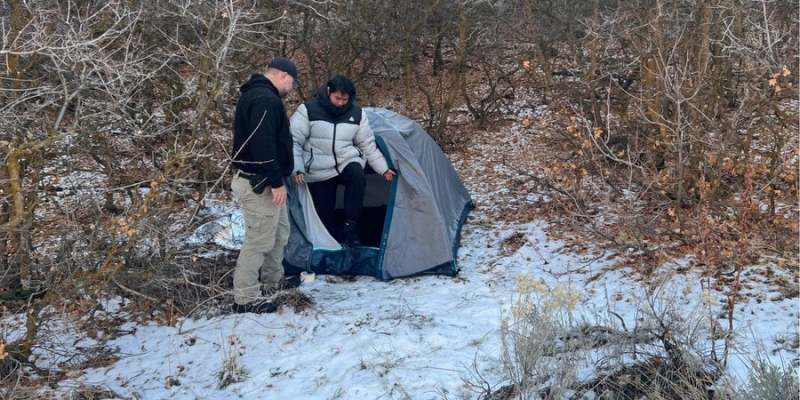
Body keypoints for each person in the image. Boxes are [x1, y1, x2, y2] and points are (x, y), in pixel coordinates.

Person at [230, 57, 302, 314]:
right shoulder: (264, 99)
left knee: (279, 233)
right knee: (259, 241)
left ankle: (273, 282)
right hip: (259, 184)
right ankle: (244, 299)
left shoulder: (260, 96)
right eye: (292, 83)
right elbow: (262, 146)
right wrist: (275, 182)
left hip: (267, 182)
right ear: (283, 75)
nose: (291, 89)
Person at [291, 75, 396, 247]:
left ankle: (350, 226)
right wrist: (298, 168)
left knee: (357, 174)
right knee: (324, 217)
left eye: (345, 99)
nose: (341, 103)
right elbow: (294, 140)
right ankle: (331, 236)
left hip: (345, 161)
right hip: (318, 167)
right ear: (328, 92)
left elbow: (367, 144)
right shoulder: (308, 110)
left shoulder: (357, 113)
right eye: (337, 98)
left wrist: (383, 169)